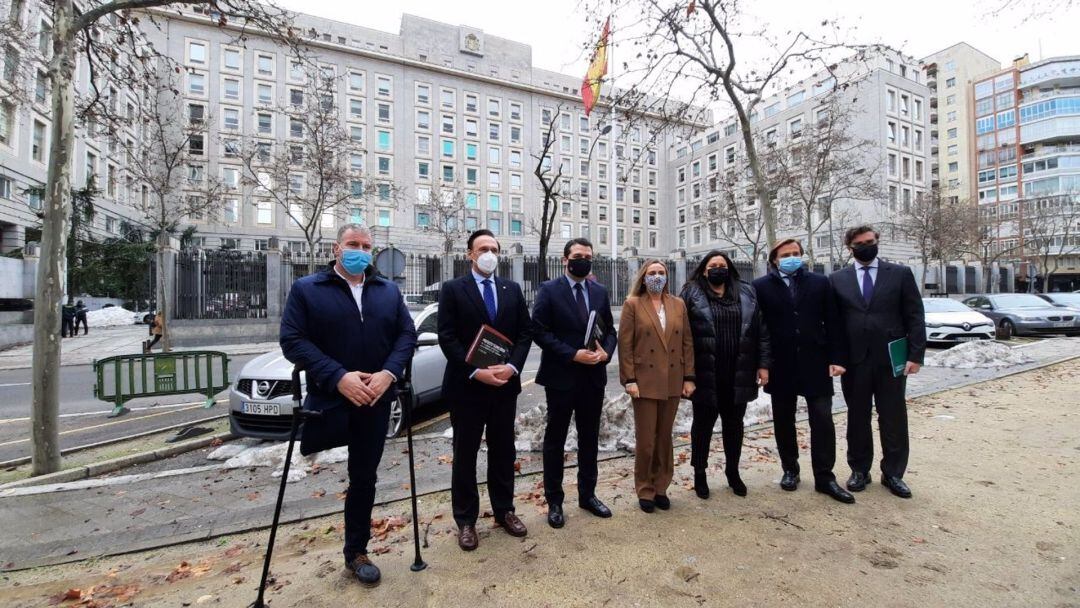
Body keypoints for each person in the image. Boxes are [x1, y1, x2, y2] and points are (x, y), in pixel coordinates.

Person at [279, 223, 417, 587]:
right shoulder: (307, 289)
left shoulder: (388, 290)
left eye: (366, 245)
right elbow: (292, 340)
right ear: (336, 248)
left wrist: (389, 372)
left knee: (364, 477)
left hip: (376, 397)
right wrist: (339, 376)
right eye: (353, 244)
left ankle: (355, 551)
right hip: (332, 397)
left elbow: (407, 334)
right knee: (318, 461)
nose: (361, 250)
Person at [438, 229, 532, 551]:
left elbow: (524, 334)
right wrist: (475, 371)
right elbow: (447, 337)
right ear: (470, 254)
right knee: (465, 455)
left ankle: (504, 511)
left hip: (504, 386)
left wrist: (513, 367)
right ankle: (466, 520)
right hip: (468, 388)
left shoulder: (512, 288)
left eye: (494, 248)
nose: (490, 253)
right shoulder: (453, 289)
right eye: (483, 248)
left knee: (504, 451)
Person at [752, 239, 854, 504]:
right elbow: (758, 329)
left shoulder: (820, 283)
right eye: (786, 255)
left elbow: (833, 321)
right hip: (780, 364)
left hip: (815, 362)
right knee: (783, 420)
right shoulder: (760, 287)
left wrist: (837, 358)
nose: (792, 258)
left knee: (822, 419)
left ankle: (825, 476)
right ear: (775, 259)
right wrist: (761, 363)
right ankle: (790, 469)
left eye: (796, 253)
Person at [829, 225, 925, 499]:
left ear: (877, 242)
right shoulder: (837, 279)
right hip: (854, 362)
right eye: (860, 243)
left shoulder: (900, 274)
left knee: (893, 418)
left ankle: (893, 473)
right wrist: (836, 359)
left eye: (870, 241)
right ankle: (860, 470)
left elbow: (915, 316)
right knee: (857, 418)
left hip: (891, 360)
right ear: (850, 248)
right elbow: (834, 325)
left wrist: (915, 355)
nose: (866, 246)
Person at [531, 238, 618, 528]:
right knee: (555, 440)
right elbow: (540, 332)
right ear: (566, 259)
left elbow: (610, 330)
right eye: (578, 255)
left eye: (588, 256)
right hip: (561, 378)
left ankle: (588, 495)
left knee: (589, 438)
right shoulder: (549, 290)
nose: (584, 260)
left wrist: (607, 352)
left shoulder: (599, 291)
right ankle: (554, 501)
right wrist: (572, 355)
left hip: (593, 378)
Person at [680, 251, 771, 498]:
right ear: (704, 269)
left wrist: (763, 365)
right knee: (702, 427)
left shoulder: (746, 292)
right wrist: (686, 374)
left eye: (722, 265)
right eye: (713, 265)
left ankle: (733, 472)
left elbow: (760, 331)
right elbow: (682, 336)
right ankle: (700, 473)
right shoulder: (691, 292)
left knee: (734, 426)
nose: (718, 269)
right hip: (705, 373)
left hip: (739, 372)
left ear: (729, 268)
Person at [618, 260, 694, 513]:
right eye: (652, 273)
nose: (657, 276)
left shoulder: (678, 304)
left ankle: (661, 486)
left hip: (673, 379)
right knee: (646, 440)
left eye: (661, 272)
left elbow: (687, 343)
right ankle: (645, 489)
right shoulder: (633, 304)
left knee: (664, 438)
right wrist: (629, 379)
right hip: (644, 381)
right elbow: (625, 345)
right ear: (643, 277)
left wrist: (689, 377)